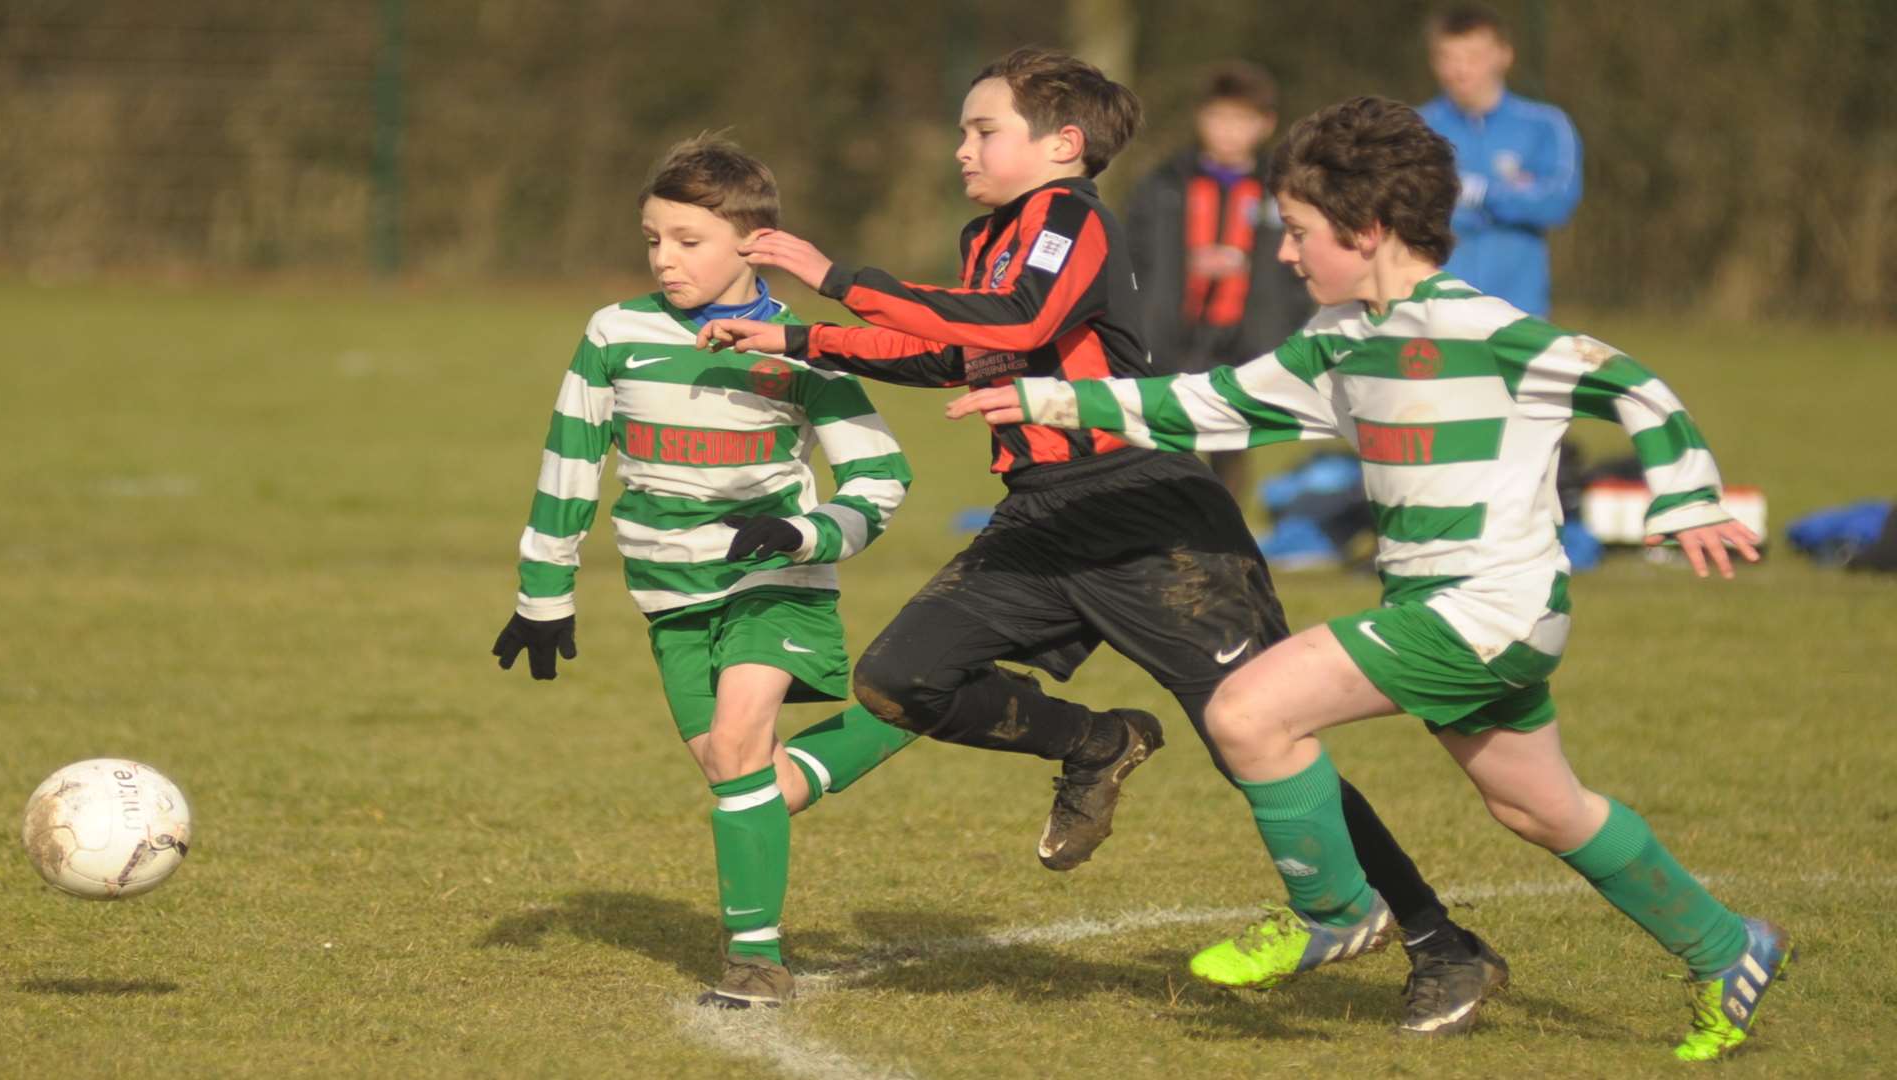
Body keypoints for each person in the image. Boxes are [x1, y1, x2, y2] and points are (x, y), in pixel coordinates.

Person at [947, 95, 1790, 1061]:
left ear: (1370, 229)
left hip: (1487, 615)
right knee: (1538, 807)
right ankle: (1730, 948)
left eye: (1300, 234)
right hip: (1456, 614)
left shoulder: (1490, 332)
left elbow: (1633, 384)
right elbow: (1206, 403)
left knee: (1249, 710)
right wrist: (1052, 393)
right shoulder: (1340, 342)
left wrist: (1687, 500)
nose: (1286, 255)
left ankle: (1336, 910)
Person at [702, 48, 1510, 1036]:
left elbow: (1022, 317)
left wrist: (836, 279)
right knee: (899, 678)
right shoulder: (990, 233)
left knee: (1255, 736)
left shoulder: (1072, 221)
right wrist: (799, 339)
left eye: (982, 129)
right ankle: (1097, 741)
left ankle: (1441, 948)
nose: (963, 146)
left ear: (1062, 145)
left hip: (1148, 512)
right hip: (1042, 514)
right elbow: (960, 348)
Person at [490, 135, 918, 1010]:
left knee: (735, 750)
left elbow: (881, 478)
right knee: (749, 781)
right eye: (654, 238)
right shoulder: (616, 333)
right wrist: (543, 595)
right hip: (666, 595)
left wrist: (801, 535)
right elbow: (569, 464)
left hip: (774, 582)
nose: (665, 257)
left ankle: (755, 962)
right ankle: (918, 706)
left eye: (689, 240)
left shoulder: (802, 347)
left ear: (752, 244)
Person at [1126, 60, 1314, 508]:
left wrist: (1285, 322)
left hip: (1245, 340)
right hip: (1173, 334)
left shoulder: (1281, 189)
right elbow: (1135, 255)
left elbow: (1303, 266)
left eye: (1240, 121)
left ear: (1265, 125)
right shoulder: (1164, 184)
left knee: (1231, 449)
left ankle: (1223, 540)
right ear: (1200, 118)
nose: (1228, 131)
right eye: (1218, 118)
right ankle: (1159, 540)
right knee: (1161, 445)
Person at [1419, 3, 1582, 318]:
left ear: (1504, 55)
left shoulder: (1545, 125)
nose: (1460, 70)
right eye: (1449, 58)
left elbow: (1558, 201)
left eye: (1473, 57)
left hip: (1519, 310)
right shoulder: (1416, 127)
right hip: (1436, 309)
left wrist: (1483, 194)